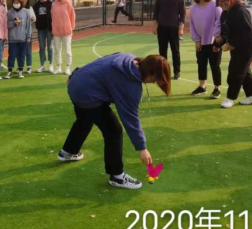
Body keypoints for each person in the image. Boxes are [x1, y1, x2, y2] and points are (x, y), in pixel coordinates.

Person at [58, 53, 171, 190]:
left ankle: (68, 152)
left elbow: (98, 62)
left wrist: (75, 74)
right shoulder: (130, 85)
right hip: (86, 93)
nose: (154, 82)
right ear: (150, 72)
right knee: (113, 131)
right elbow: (130, 118)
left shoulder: (127, 57)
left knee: (85, 118)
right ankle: (117, 176)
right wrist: (142, 148)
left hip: (76, 84)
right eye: (155, 79)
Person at [215, 0, 252, 109]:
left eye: (226, 0)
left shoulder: (241, 11)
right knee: (244, 71)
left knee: (235, 72)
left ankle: (230, 98)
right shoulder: (225, 13)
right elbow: (225, 31)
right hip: (236, 47)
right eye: (220, 1)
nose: (223, 3)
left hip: (247, 47)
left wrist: (232, 44)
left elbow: (247, 32)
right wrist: (218, 44)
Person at [189, 0, 223, 99]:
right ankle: (202, 86)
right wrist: (197, 40)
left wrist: (217, 36)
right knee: (201, 64)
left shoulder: (215, 5)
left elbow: (220, 21)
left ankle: (217, 88)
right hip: (200, 43)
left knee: (215, 65)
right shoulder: (194, 8)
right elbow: (192, 25)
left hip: (214, 42)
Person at [153, 0, 186, 80]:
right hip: (162, 28)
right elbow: (156, 14)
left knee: (175, 51)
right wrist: (155, 27)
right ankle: (163, 72)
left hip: (174, 28)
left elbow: (183, 15)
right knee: (162, 51)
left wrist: (181, 28)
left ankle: (177, 72)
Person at [5, 0, 32, 79]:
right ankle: (9, 71)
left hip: (23, 38)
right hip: (12, 39)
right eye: (14, 2)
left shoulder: (26, 12)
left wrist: (28, 36)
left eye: (17, 2)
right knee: (11, 55)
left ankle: (20, 71)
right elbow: (6, 24)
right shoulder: (9, 12)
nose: (16, 4)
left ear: (21, 3)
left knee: (22, 55)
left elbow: (28, 25)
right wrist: (13, 23)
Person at [51, 0, 76, 76]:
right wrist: (53, 28)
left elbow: (72, 16)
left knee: (67, 50)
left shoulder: (68, 4)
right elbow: (52, 17)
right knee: (57, 50)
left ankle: (68, 67)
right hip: (56, 31)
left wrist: (70, 28)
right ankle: (58, 67)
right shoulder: (54, 4)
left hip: (67, 31)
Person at [33, 0, 54, 73]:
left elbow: (54, 16)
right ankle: (42, 65)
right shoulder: (35, 5)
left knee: (50, 47)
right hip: (40, 29)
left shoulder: (51, 4)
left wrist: (53, 29)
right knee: (41, 47)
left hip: (49, 28)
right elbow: (33, 17)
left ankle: (51, 64)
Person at [20, 0, 37, 75]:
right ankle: (20, 66)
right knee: (20, 51)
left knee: (28, 50)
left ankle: (29, 66)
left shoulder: (30, 8)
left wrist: (32, 19)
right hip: (19, 33)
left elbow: (34, 19)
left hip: (28, 33)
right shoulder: (17, 8)